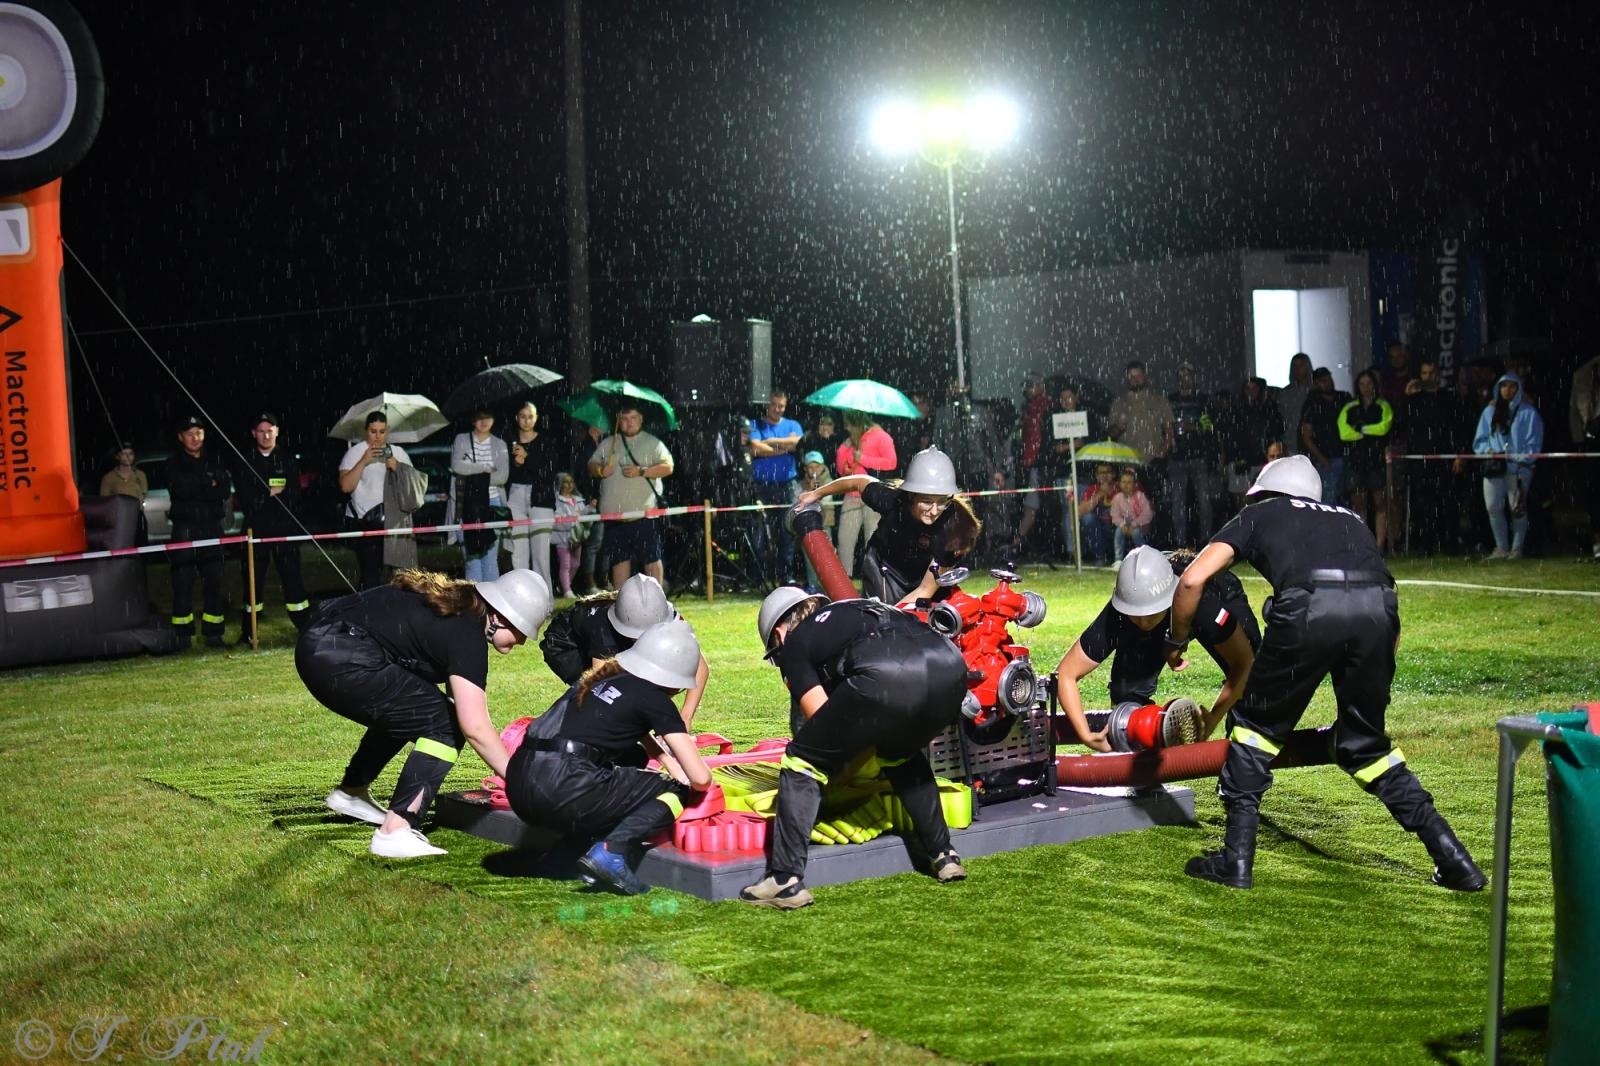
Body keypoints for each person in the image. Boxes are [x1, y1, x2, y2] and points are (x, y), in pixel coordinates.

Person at [1170, 455, 1485, 891]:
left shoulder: (1262, 512)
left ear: (1267, 492)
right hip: (1379, 614)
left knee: (1254, 731)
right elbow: (1385, 596)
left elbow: (1192, 581)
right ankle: (1455, 860)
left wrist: (1175, 639)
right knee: (1366, 747)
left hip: (1311, 607)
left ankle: (1235, 861)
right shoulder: (1352, 519)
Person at [298, 568, 552, 858]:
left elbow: (459, 705)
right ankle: (396, 830)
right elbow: (475, 728)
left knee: (418, 707)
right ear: (501, 617)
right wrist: (520, 781)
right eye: (522, 630)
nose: (522, 641)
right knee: (444, 726)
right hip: (338, 654)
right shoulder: (466, 632)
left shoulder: (460, 609)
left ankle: (351, 792)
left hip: (321, 642)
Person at [741, 587, 970, 908]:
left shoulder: (794, 644)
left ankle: (784, 880)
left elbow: (823, 724)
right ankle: (944, 855)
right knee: (899, 749)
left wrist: (835, 779)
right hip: (953, 671)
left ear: (779, 634)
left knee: (802, 760)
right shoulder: (852, 610)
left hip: (887, 675)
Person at [506, 619, 712, 895]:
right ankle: (611, 851)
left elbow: (631, 733)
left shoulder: (605, 677)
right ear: (676, 678)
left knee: (632, 756)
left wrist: (667, 761)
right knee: (676, 792)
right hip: (563, 788)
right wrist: (685, 780)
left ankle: (566, 851)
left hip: (520, 782)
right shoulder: (655, 699)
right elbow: (700, 779)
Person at [1053, 545, 1259, 751]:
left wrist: (1214, 717)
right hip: (1169, 604)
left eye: (1150, 614)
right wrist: (1086, 735)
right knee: (1125, 697)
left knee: (1257, 683)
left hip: (1215, 592)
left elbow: (1245, 663)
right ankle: (1141, 749)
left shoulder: (1205, 603)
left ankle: (1246, 752)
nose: (1144, 622)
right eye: (1136, 615)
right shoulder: (1122, 610)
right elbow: (1065, 674)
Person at [797, 447, 981, 605]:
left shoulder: (957, 528)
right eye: (926, 501)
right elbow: (858, 481)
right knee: (881, 623)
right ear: (911, 495)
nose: (934, 511)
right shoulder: (893, 501)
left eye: (941, 502)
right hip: (884, 566)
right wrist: (816, 494)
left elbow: (925, 589)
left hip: (923, 575)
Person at [538, 573, 710, 723]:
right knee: (600, 699)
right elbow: (602, 690)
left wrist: (685, 718)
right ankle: (555, 726)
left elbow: (699, 667)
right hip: (564, 643)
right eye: (638, 635)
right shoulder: (603, 629)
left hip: (603, 632)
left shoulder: (666, 615)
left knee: (648, 684)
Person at [233, 412, 312, 639]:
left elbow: (294, 495)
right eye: (261, 431)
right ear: (253, 433)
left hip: (285, 530)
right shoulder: (245, 461)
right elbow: (246, 498)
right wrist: (270, 492)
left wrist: (265, 495)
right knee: (252, 583)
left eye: (270, 431)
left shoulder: (287, 460)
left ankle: (306, 628)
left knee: (293, 580)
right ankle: (249, 632)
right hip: (255, 531)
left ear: (277, 432)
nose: (266, 435)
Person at [588, 404, 674, 589]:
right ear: (619, 420)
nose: (629, 423)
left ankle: (656, 598)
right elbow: (591, 465)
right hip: (614, 517)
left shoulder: (653, 443)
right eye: (624, 419)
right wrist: (600, 470)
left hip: (644, 515)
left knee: (652, 559)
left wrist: (642, 471)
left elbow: (668, 467)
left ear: (641, 419)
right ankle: (622, 601)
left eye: (633, 418)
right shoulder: (609, 443)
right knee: (619, 562)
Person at [166, 415, 232, 649]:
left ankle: (213, 633)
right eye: (190, 434)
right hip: (185, 528)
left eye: (199, 433)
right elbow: (180, 490)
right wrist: (208, 483)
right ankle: (182, 635)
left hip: (212, 527)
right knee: (183, 582)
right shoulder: (173, 462)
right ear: (180, 437)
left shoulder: (215, 460)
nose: (195, 438)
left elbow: (224, 491)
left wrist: (201, 485)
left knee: (214, 582)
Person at [1473, 371, 1545, 560]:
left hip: (1519, 468)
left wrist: (1522, 458)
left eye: (1512, 386)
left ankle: (1517, 548)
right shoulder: (1489, 412)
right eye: (1504, 386)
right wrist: (1488, 450)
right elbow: (1480, 440)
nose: (1507, 390)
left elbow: (1535, 441)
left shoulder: (1529, 413)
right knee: (1493, 507)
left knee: (1517, 508)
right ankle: (1501, 547)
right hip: (1494, 467)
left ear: (1519, 389)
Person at [338, 411, 412, 590]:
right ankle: (369, 606)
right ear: (366, 431)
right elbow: (345, 486)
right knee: (371, 575)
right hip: (366, 523)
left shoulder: (398, 452)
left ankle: (394, 605)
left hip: (395, 523)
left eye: (382, 431)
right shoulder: (355, 452)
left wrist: (398, 468)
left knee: (400, 576)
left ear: (388, 431)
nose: (378, 436)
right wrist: (364, 461)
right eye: (373, 431)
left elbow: (412, 487)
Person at [1403, 358, 1464, 554]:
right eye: (1424, 373)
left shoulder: (1449, 398)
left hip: (1445, 457)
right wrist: (1406, 396)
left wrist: (1459, 455)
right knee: (1423, 504)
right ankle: (1426, 544)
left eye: (1431, 373)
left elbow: (1458, 428)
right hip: (1420, 459)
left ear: (1437, 374)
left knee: (1448, 502)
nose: (1428, 377)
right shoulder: (1413, 400)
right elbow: (1402, 426)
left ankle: (1451, 543)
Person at [747, 389, 804, 585]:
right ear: (767, 405)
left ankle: (785, 577)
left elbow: (798, 443)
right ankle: (758, 578)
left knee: (787, 531)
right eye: (774, 405)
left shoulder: (793, 425)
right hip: (761, 486)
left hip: (787, 484)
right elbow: (756, 448)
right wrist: (785, 448)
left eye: (782, 406)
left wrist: (771, 442)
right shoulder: (755, 424)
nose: (778, 409)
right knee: (759, 533)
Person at [833, 410, 897, 578]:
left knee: (872, 539)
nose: (846, 428)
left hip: (873, 494)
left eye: (848, 424)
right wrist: (844, 450)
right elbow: (841, 470)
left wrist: (863, 459)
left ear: (857, 423)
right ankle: (844, 580)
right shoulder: (850, 441)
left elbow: (891, 462)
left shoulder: (881, 436)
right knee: (845, 539)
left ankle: (873, 577)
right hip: (851, 495)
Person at [1337, 369, 1395, 552]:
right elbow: (1343, 432)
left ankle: (1379, 546)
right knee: (1358, 504)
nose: (1366, 387)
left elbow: (1384, 427)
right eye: (1362, 384)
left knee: (1380, 503)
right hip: (1355, 462)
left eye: (1369, 383)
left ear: (1375, 385)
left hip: (1376, 461)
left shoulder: (1383, 406)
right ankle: (1362, 546)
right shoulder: (1350, 407)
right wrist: (1368, 431)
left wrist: (1361, 430)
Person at [450, 409, 511, 582]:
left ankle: (492, 597)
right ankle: (474, 596)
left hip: (493, 501)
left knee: (490, 558)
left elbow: (502, 476)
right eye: (480, 418)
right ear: (473, 420)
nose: (484, 422)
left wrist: (473, 477)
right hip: (466, 503)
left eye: (488, 417)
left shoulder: (500, 444)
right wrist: (484, 469)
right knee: (472, 558)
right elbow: (456, 466)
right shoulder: (462, 439)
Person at [1166, 363, 1222, 545]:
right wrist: (1170, 432)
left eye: (1187, 375)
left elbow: (1211, 426)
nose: (1184, 379)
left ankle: (1206, 539)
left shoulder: (1203, 400)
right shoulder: (1170, 400)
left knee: (1204, 501)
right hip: (1177, 457)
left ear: (1193, 377)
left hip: (1199, 456)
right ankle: (1180, 542)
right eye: (1181, 376)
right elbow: (1164, 423)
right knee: (1178, 503)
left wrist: (1193, 427)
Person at [505, 401, 556, 589]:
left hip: (541, 499)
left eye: (530, 417)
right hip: (515, 496)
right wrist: (516, 464)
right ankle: (521, 595)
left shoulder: (546, 442)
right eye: (522, 416)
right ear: (516, 418)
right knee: (518, 554)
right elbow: (505, 474)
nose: (526, 421)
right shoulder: (509, 442)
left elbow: (548, 472)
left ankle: (545, 599)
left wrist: (527, 457)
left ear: (536, 419)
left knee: (541, 555)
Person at [1014, 370, 1054, 556]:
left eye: (1030, 386)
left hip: (1041, 463)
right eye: (1025, 386)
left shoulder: (1046, 406)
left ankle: (1037, 545)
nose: (1026, 390)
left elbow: (1039, 438)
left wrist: (1036, 458)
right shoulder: (1028, 408)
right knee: (1031, 506)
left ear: (1040, 387)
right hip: (1032, 462)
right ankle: (1021, 543)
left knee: (1038, 506)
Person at [1298, 367, 1348, 506]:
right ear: (1316, 383)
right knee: (1328, 501)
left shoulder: (1343, 397)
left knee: (1345, 498)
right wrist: (1323, 459)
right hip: (1326, 458)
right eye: (1323, 381)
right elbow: (1306, 435)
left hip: (1346, 456)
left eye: (1328, 379)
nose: (1328, 383)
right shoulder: (1313, 403)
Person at [1569, 354, 1600, 561]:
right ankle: (1597, 541)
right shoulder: (1582, 375)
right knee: (1594, 494)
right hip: (1591, 441)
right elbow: (1574, 410)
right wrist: (1579, 440)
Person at [551, 472, 593, 598]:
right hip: (563, 538)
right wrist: (570, 520)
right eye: (565, 482)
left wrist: (590, 508)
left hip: (577, 537)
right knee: (565, 564)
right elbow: (556, 520)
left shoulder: (578, 500)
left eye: (571, 482)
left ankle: (563, 585)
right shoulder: (557, 501)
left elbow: (583, 514)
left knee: (576, 564)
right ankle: (567, 590)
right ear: (560, 484)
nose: (569, 485)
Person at [99, 441, 149, 543]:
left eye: (131, 454)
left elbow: (144, 493)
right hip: (118, 517)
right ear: (117, 456)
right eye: (124, 453)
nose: (128, 457)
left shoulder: (140, 475)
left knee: (141, 543)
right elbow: (104, 499)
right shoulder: (109, 477)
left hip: (137, 515)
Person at [1075, 462, 1118, 566]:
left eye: (1107, 472)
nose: (1104, 475)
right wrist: (1100, 494)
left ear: (1113, 474)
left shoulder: (1122, 486)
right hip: (1099, 531)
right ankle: (1100, 556)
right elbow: (1079, 513)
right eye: (1101, 473)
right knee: (1088, 518)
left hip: (1117, 529)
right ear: (1096, 476)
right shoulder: (1092, 489)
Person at [1275, 353, 1314, 457]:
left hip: (1314, 444)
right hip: (1291, 443)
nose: (1297, 369)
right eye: (1295, 366)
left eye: (1301, 365)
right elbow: (1281, 419)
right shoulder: (1285, 393)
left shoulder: (1315, 390)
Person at [1110, 468, 1153, 563]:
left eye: (1129, 482)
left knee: (1136, 532)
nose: (1126, 485)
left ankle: (1142, 558)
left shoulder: (1140, 496)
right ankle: (1118, 559)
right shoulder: (1117, 498)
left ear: (1135, 484)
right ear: (1119, 484)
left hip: (1140, 526)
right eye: (1123, 482)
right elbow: (1115, 515)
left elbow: (1147, 514)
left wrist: (1134, 524)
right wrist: (1122, 525)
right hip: (1124, 526)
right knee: (1118, 531)